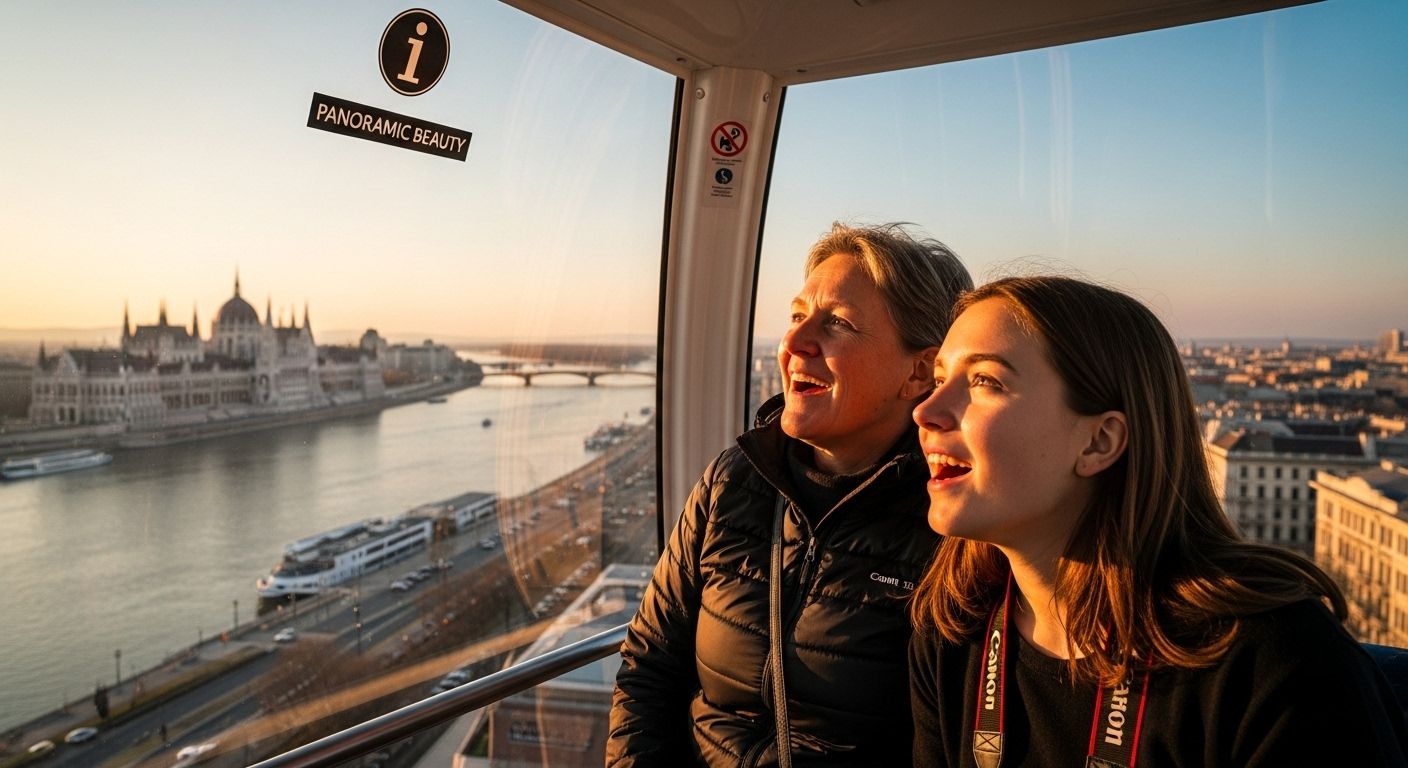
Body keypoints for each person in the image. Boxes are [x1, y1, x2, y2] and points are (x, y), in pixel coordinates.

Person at [908, 276, 1408, 767]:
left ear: (1099, 442)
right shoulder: (954, 633)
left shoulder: (1271, 664)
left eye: (985, 381)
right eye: (938, 380)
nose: (927, 411)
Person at [607, 223, 973, 767]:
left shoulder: (954, 524)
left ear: (920, 370)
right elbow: (650, 665)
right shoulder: (732, 482)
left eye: (838, 324)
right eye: (798, 316)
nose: (795, 344)